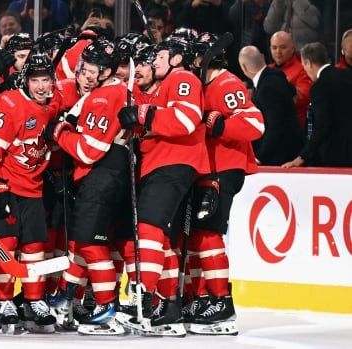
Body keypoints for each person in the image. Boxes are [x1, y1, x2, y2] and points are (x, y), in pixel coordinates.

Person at [118, 36, 209, 336]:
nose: (154, 62)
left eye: (159, 57)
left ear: (177, 59)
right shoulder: (163, 87)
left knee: (149, 227)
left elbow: (185, 119)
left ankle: (142, 298)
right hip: (163, 165)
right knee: (164, 241)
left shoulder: (183, 78)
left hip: (172, 165)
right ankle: (166, 308)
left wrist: (144, 116)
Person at [0, 51, 62, 333]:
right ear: (25, 81)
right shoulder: (9, 103)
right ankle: (4, 301)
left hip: (33, 190)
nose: (40, 86)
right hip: (8, 187)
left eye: (45, 79)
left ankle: (34, 300)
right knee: (5, 245)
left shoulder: (52, 105)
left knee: (35, 247)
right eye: (35, 79)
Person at [183, 32, 264, 335]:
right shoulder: (205, 84)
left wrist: (221, 125)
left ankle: (220, 302)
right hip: (209, 168)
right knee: (200, 236)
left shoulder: (227, 84)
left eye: (193, 58)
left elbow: (256, 123)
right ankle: (204, 296)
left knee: (209, 233)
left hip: (224, 169)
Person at [50, 40, 129, 336]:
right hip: (107, 176)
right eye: (84, 66)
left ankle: (107, 309)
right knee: (84, 241)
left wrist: (61, 134)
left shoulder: (104, 96)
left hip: (101, 175)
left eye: (92, 68)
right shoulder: (110, 91)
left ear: (107, 71)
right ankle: (65, 296)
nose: (85, 73)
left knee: (93, 244)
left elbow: (88, 151)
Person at [282, 42, 352, 168]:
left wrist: (302, 156)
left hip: (337, 156)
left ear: (308, 63)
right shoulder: (347, 74)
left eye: (303, 64)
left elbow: (322, 125)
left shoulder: (319, 87)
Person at [238, 45, 304, 166]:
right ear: (262, 58)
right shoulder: (275, 75)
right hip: (287, 151)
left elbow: (275, 126)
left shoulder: (267, 87)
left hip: (281, 158)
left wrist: (259, 157)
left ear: (244, 67)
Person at [269, 31, 312, 130]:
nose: (278, 52)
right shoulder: (268, 69)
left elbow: (303, 98)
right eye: (274, 47)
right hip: (270, 127)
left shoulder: (302, 70)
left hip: (292, 130)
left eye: (283, 47)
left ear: (292, 49)